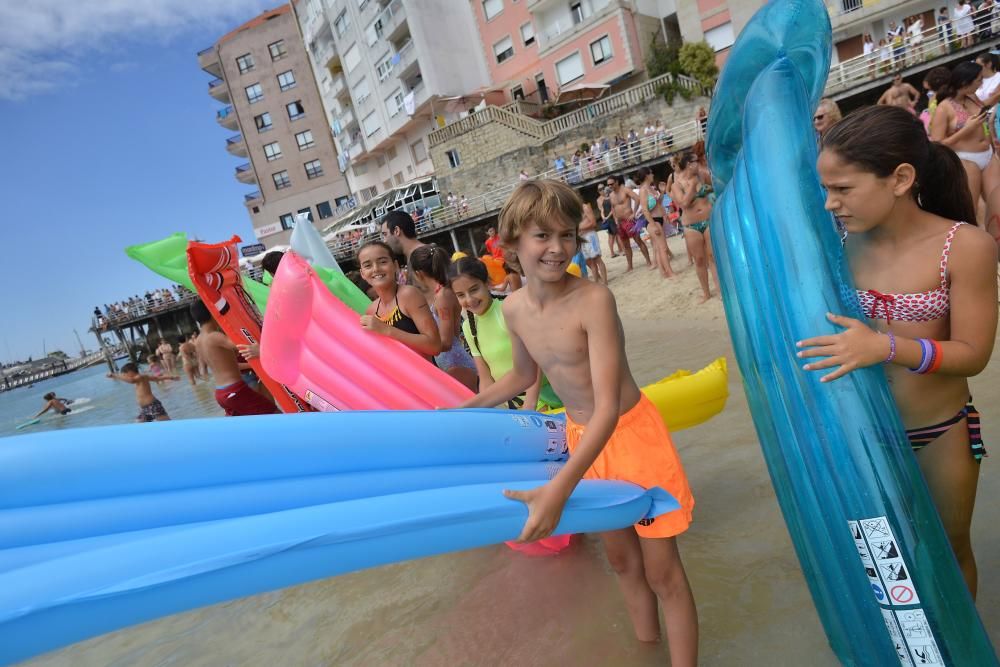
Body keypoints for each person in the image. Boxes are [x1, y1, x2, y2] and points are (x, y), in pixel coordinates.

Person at [454, 180, 698, 665]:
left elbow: (607, 407)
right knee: (623, 562)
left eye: (567, 235)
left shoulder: (593, 301)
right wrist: (463, 411)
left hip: (631, 436)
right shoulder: (516, 310)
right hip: (583, 440)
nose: (557, 248)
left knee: (662, 572)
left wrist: (559, 488)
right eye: (542, 236)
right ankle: (647, 652)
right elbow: (523, 375)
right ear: (512, 244)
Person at [800, 105, 997, 596]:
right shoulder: (837, 245)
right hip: (861, 435)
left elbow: (974, 354)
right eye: (826, 189)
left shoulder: (964, 246)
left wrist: (884, 346)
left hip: (940, 434)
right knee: (885, 567)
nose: (830, 204)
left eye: (843, 189)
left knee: (950, 554)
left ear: (901, 178)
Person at [448, 257, 551, 411]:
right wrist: (492, 411)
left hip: (541, 398)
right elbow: (485, 378)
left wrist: (530, 406)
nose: (469, 299)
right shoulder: (469, 328)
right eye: (461, 295)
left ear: (487, 283)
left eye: (474, 289)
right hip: (511, 404)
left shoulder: (508, 311)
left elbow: (537, 361)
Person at [190, 300, 279, 416]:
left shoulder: (198, 341)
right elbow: (243, 345)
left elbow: (216, 361)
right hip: (235, 390)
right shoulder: (214, 336)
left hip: (221, 393)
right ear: (212, 312)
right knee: (274, 413)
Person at [930, 61, 1000, 208]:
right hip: (966, 160)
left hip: (988, 154)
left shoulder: (972, 96)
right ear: (965, 82)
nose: (981, 84)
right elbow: (937, 144)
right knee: (971, 208)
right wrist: (966, 130)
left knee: (997, 203)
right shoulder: (944, 109)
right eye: (979, 80)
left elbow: (984, 106)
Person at [357, 241, 441, 362]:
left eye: (383, 262)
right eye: (368, 265)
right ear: (363, 274)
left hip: (424, 378)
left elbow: (434, 346)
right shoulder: (371, 311)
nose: (376, 269)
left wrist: (386, 330)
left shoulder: (409, 295)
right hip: (395, 379)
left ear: (395, 265)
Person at [409, 244, 479, 390]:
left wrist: (418, 344)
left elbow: (446, 342)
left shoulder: (442, 297)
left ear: (419, 274)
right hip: (453, 362)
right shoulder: (443, 292)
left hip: (456, 364)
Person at [674, 153, 719, 302]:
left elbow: (715, 187)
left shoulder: (702, 176)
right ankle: (706, 293)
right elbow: (684, 204)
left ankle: (719, 290)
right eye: (696, 161)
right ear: (688, 164)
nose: (699, 164)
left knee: (712, 256)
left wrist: (709, 192)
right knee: (699, 260)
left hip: (708, 220)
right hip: (691, 226)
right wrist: (693, 186)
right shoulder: (677, 185)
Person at [606, 175, 652, 272]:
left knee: (638, 240)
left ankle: (648, 261)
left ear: (617, 182)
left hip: (629, 220)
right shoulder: (611, 195)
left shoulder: (625, 190)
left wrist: (634, 213)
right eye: (608, 185)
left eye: (611, 184)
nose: (610, 186)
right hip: (620, 222)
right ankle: (630, 266)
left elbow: (637, 199)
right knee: (625, 245)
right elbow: (613, 208)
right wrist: (615, 220)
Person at [637, 166, 675, 279]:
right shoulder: (643, 190)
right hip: (652, 221)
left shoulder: (651, 188)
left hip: (659, 218)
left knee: (659, 248)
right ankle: (670, 273)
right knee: (663, 248)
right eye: (651, 173)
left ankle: (663, 273)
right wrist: (653, 225)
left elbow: (658, 203)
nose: (653, 175)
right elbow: (644, 209)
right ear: (646, 175)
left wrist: (662, 193)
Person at [107, 362, 176, 422]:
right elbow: (156, 378)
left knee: (166, 422)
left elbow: (131, 380)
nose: (125, 377)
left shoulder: (140, 377)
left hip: (152, 406)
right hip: (144, 409)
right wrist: (170, 377)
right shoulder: (142, 377)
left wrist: (115, 375)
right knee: (139, 424)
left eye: (125, 375)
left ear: (130, 372)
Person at [380, 209, 426, 273]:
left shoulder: (423, 258)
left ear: (396, 231)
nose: (384, 241)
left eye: (385, 234)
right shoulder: (419, 256)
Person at [579, 201, 609, 285]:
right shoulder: (574, 211)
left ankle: (605, 281)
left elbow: (593, 223)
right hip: (581, 238)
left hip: (590, 236)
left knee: (597, 259)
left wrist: (580, 228)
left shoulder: (585, 207)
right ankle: (596, 282)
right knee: (590, 261)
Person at [597, 186, 621, 257]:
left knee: (611, 236)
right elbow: (612, 210)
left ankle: (612, 252)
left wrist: (603, 217)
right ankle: (622, 250)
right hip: (612, 219)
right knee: (618, 235)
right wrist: (607, 217)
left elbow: (602, 210)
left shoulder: (602, 200)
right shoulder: (610, 199)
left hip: (608, 220)